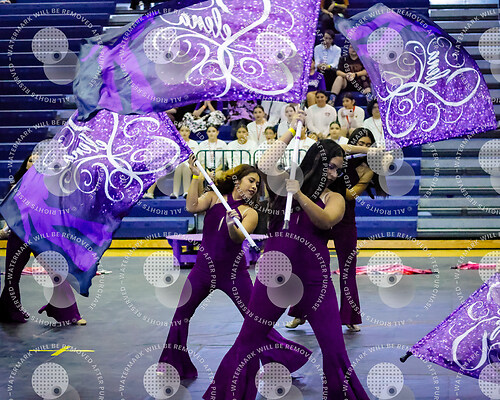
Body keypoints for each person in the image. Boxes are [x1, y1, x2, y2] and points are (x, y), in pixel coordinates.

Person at [203, 112, 369, 400]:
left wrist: (301, 195)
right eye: (330, 167)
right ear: (316, 163)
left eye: (339, 169)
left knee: (334, 348)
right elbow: (265, 163)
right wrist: (292, 130)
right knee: (248, 341)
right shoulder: (284, 186)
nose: (334, 174)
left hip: (315, 281)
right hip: (275, 278)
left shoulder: (334, 197)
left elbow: (326, 221)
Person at [158, 156, 311, 379]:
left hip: (233, 274)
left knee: (255, 320)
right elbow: (191, 207)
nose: (255, 186)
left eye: (257, 184)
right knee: (180, 315)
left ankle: (283, 361)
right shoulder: (213, 197)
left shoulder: (250, 212)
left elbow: (238, 237)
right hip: (202, 271)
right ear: (237, 180)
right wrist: (196, 177)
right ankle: (173, 365)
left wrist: (232, 224)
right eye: (251, 181)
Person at [286, 128, 375, 333]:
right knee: (308, 263)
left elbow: (350, 195)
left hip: (344, 219)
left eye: (369, 145)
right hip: (319, 214)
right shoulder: (339, 157)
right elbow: (337, 147)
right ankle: (299, 313)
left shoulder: (367, 169)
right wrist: (366, 151)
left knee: (348, 268)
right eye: (361, 143)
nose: (365, 148)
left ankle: (350, 316)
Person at [0, 154, 86, 325]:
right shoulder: (16, 186)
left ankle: (69, 314)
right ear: (26, 165)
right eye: (31, 160)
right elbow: (12, 211)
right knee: (11, 275)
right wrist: (5, 230)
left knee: (57, 274)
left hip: (43, 235)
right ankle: (9, 311)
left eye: (39, 160)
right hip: (19, 234)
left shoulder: (52, 185)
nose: (34, 163)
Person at [170, 125, 200, 199]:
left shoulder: (194, 143)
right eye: (182, 130)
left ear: (189, 132)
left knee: (185, 166)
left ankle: (186, 192)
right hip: (176, 165)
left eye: (187, 131)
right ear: (179, 132)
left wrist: (190, 164)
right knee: (180, 166)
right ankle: (175, 193)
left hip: (190, 164)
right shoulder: (174, 143)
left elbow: (196, 157)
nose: (184, 133)